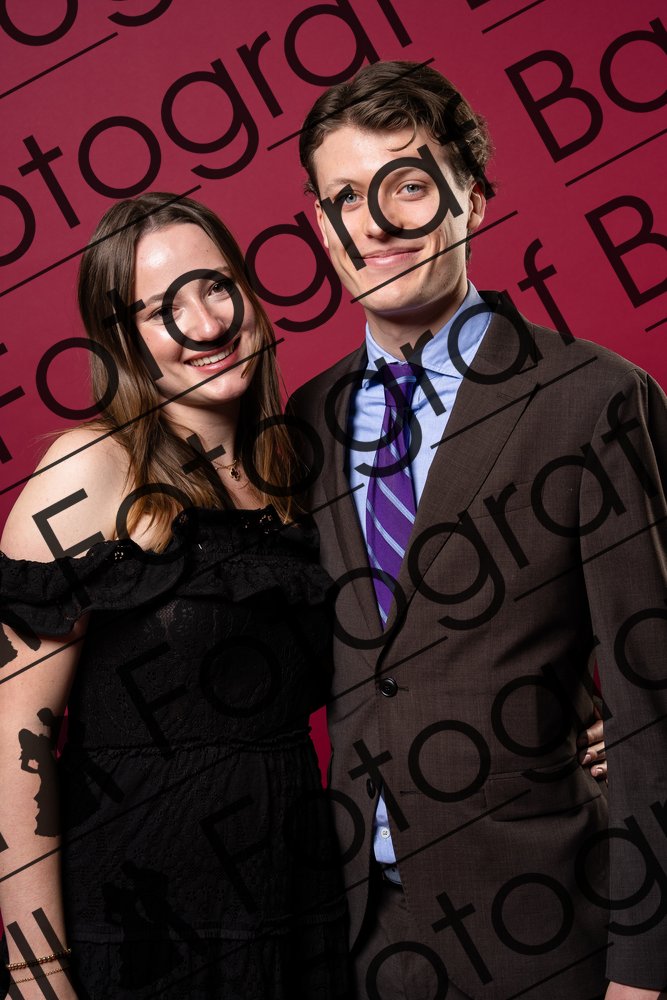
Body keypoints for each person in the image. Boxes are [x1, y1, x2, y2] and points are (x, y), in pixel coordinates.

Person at [289, 61, 667, 1000]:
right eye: (345, 197)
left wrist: (644, 969)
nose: (374, 224)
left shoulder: (593, 398)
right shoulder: (304, 422)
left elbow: (652, 700)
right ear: (320, 227)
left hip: (552, 933)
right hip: (359, 942)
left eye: (408, 186)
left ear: (474, 201)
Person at [0, 193, 349, 999]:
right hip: (141, 934)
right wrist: (36, 973)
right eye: (162, 310)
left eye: (216, 286)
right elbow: (16, 737)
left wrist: (563, 717)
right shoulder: (87, 470)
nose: (205, 323)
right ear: (121, 341)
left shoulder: (298, 477)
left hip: (300, 920)